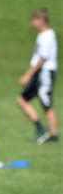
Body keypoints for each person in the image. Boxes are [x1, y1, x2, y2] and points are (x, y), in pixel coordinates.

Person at [16, 8, 58, 144]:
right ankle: (41, 128)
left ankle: (53, 134)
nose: (32, 23)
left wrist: (28, 75)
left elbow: (42, 58)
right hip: (40, 73)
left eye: (33, 20)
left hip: (44, 73)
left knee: (46, 103)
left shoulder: (47, 35)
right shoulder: (42, 35)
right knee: (21, 99)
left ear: (41, 20)